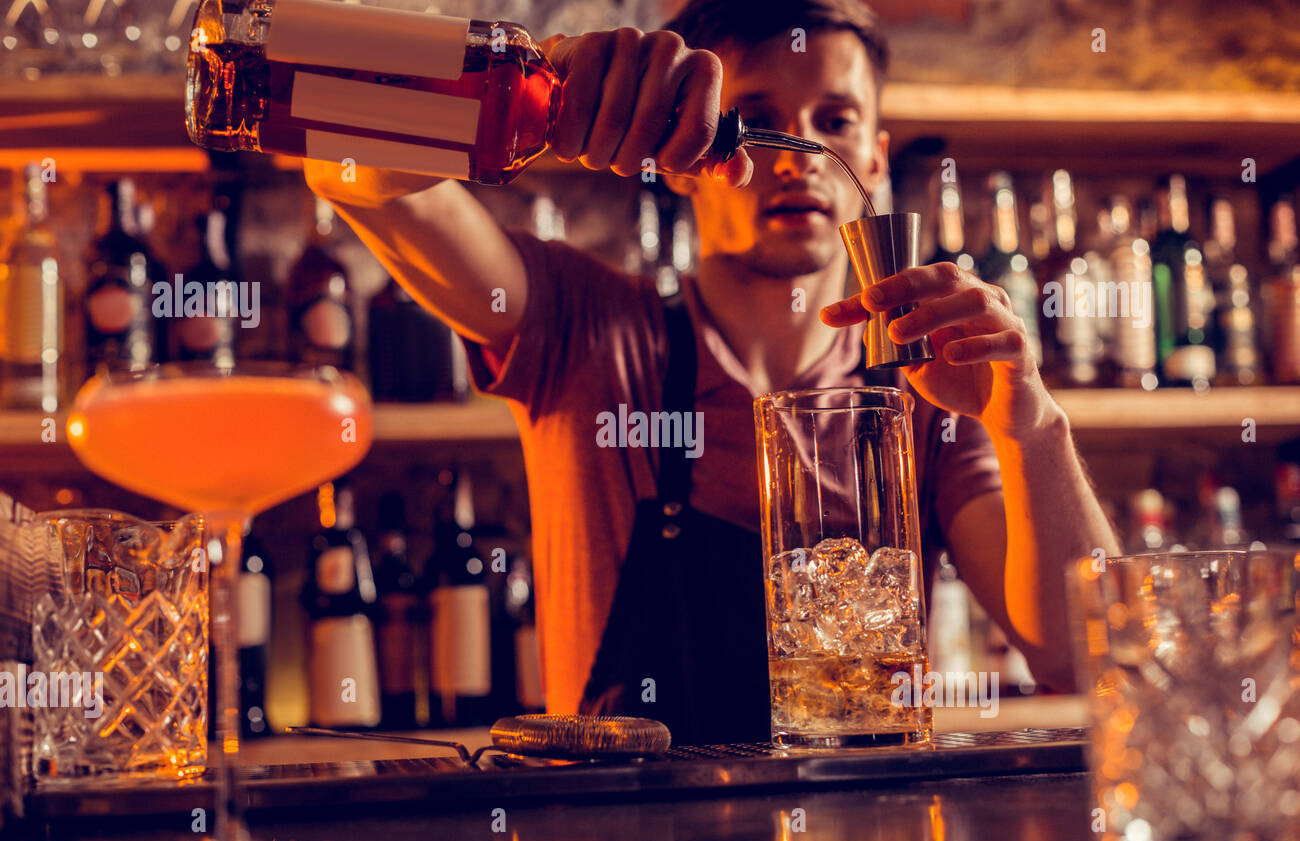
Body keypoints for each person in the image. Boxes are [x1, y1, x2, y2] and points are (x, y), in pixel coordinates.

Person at [304, 0, 1119, 743]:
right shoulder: (587, 328)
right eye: (756, 120)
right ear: (688, 153)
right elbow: (351, 163)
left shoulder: (927, 397)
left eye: (833, 120)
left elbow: (1084, 663)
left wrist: (1032, 422)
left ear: (873, 158)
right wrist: (538, 99)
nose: (800, 156)